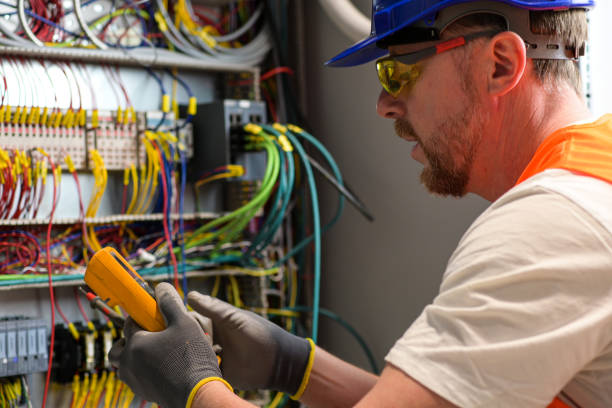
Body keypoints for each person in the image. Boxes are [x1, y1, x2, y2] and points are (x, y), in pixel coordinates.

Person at [109, 0, 612, 407]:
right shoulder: (593, 178)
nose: (384, 104)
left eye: (398, 72)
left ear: (500, 64)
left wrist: (194, 389)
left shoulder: (550, 226)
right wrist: (292, 365)